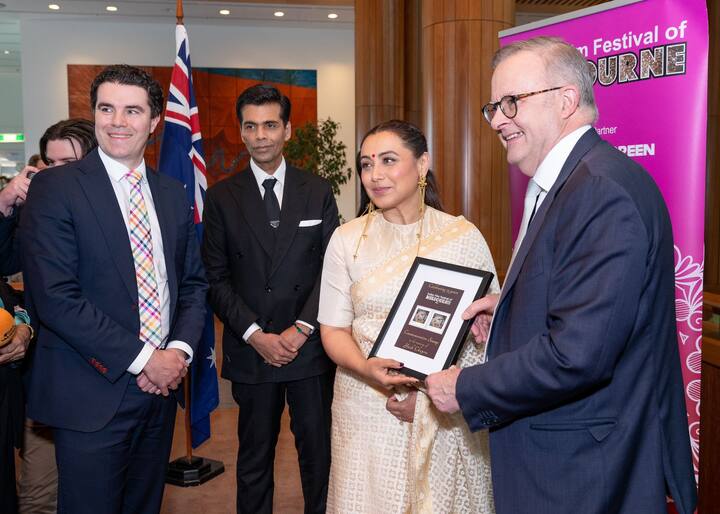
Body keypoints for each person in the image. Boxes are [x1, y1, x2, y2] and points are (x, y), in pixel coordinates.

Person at [426, 36, 697, 514]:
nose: (498, 120)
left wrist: (465, 387)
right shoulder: (574, 181)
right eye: (493, 107)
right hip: (566, 461)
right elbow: (583, 304)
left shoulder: (599, 190)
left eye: (512, 102)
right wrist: (507, 307)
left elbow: (578, 354)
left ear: (567, 99)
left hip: (584, 473)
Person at [19, 64, 208, 514]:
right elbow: (56, 299)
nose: (118, 121)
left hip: (160, 393)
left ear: (154, 122)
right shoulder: (55, 188)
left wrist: (177, 354)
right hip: (90, 392)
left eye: (132, 110)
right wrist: (148, 360)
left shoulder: (171, 192)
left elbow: (193, 285)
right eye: (107, 108)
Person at [318, 119, 498, 513]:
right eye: (366, 164)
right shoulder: (347, 239)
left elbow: (488, 330)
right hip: (366, 404)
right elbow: (332, 328)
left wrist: (433, 401)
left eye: (387, 160)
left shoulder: (462, 237)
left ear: (421, 165)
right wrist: (366, 370)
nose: (375, 174)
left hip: (443, 407)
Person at [202, 84, 339, 514]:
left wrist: (300, 329)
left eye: (270, 125)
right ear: (241, 133)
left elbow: (333, 271)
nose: (261, 135)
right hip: (252, 349)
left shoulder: (317, 190)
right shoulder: (222, 197)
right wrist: (255, 334)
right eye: (251, 126)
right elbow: (215, 278)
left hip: (309, 349)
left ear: (287, 130)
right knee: (254, 461)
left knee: (319, 461)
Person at [16, 118, 97, 514]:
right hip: (47, 377)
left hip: (105, 376)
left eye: (65, 163)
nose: (52, 173)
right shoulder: (31, 211)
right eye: (48, 163)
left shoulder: (116, 215)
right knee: (40, 496)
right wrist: (5, 203)